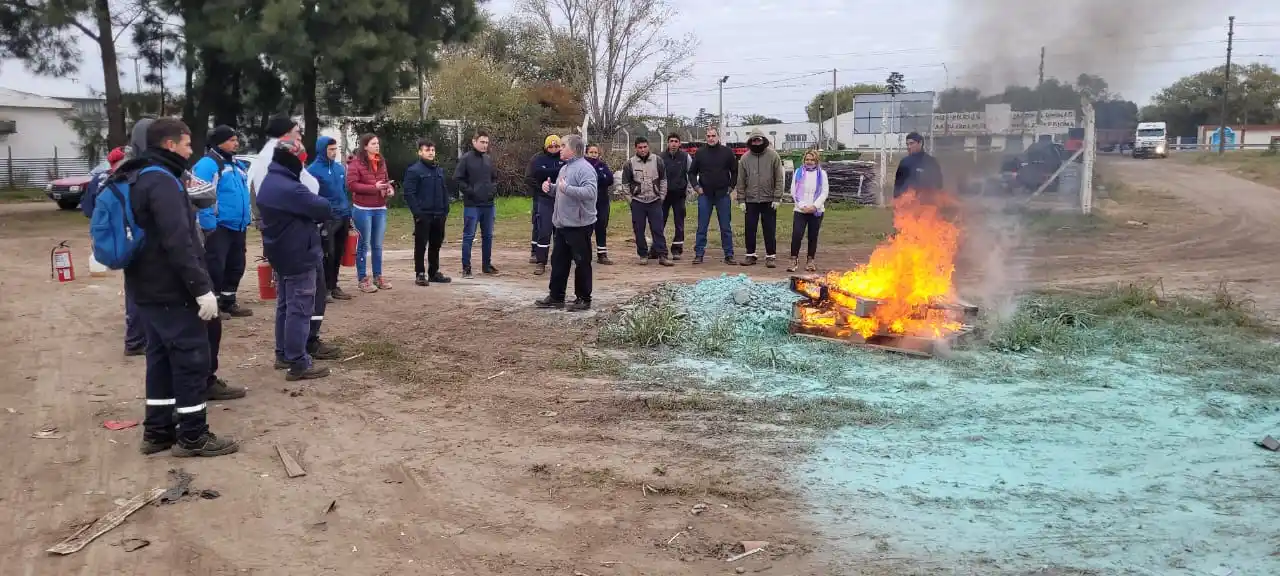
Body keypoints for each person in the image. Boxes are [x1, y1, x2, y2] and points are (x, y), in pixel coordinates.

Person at [119, 117, 239, 458]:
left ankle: (157, 431)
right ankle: (193, 435)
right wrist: (202, 289)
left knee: (159, 358)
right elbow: (179, 242)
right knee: (191, 359)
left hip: (147, 287)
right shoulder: (163, 182)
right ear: (170, 145)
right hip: (172, 289)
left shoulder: (140, 176)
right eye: (187, 144)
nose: (190, 151)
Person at [258, 138, 334, 382]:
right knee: (300, 307)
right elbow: (322, 207)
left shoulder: (271, 181)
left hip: (281, 252)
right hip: (298, 252)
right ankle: (298, 361)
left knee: (285, 304)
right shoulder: (290, 187)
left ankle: (283, 353)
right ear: (294, 161)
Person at [83, 147, 144, 355]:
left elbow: (88, 208)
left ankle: (135, 338)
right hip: (135, 241)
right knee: (140, 292)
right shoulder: (130, 182)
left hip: (122, 243)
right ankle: (136, 340)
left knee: (133, 290)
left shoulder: (103, 180)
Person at [193, 125, 253, 318]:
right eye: (232, 140)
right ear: (219, 142)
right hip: (218, 226)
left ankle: (229, 301)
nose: (236, 143)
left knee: (236, 264)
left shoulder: (236, 164)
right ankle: (214, 304)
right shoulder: (207, 164)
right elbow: (201, 196)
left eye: (236, 140)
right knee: (215, 266)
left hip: (238, 225)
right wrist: (208, 223)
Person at [535, 134, 597, 312]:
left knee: (581, 261)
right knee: (558, 261)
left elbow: (590, 192)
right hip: (562, 224)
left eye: (563, 145)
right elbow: (561, 190)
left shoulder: (585, 169)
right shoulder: (565, 168)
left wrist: (566, 189)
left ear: (573, 149)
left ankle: (583, 298)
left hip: (579, 225)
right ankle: (556, 296)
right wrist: (551, 188)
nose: (559, 148)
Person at [307, 136, 353, 301]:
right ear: (322, 150)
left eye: (335, 149)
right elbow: (312, 196)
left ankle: (333, 285)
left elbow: (343, 192)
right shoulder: (312, 171)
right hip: (327, 218)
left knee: (339, 253)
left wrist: (348, 212)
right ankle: (323, 288)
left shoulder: (340, 169)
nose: (334, 153)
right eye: (330, 149)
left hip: (343, 216)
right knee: (328, 253)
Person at [347, 133, 393, 293]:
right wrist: (374, 188)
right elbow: (352, 185)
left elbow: (385, 180)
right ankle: (362, 278)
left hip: (380, 207)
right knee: (363, 244)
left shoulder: (381, 161)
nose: (377, 146)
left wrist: (389, 189)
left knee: (377, 245)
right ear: (365, 146)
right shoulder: (356, 163)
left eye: (377, 143)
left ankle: (378, 276)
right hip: (362, 209)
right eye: (373, 143)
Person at [404, 139, 452, 286]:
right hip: (423, 215)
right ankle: (420, 273)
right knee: (421, 245)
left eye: (432, 150)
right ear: (420, 152)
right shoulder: (414, 171)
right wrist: (417, 213)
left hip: (439, 214)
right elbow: (409, 194)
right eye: (427, 150)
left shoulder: (438, 170)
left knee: (435, 244)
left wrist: (445, 209)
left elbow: (444, 190)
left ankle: (433, 272)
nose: (430, 152)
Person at [688, 126, 738, 265]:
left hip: (723, 194)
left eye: (713, 136)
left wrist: (731, 187)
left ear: (718, 137)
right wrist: (697, 187)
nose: (711, 138)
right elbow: (691, 172)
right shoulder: (700, 153)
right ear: (706, 137)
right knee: (702, 226)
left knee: (725, 226)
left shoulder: (727, 152)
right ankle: (699, 254)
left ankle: (729, 254)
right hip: (705, 195)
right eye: (708, 136)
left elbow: (735, 171)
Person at [735, 129, 785, 268]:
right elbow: (741, 180)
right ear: (750, 142)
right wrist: (741, 200)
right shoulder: (745, 158)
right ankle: (750, 255)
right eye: (754, 140)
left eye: (759, 139)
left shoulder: (773, 156)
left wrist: (777, 197)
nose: (757, 142)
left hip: (769, 199)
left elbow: (779, 178)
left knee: (769, 228)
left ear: (763, 140)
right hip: (750, 200)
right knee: (750, 228)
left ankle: (770, 256)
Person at [621, 136, 673, 267]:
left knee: (658, 229)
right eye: (640, 147)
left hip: (655, 200)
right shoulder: (629, 164)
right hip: (638, 201)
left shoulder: (658, 160)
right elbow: (625, 184)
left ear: (648, 146)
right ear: (635, 148)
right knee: (639, 230)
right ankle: (643, 255)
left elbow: (663, 180)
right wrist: (631, 201)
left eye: (645, 147)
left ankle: (663, 255)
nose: (643, 150)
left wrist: (661, 196)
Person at [455, 129, 498, 279]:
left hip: (488, 205)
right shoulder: (466, 159)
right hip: (472, 205)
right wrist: (471, 191)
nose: (484, 145)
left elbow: (494, 178)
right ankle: (466, 268)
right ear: (474, 142)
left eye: (486, 142)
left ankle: (486, 265)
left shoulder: (488, 159)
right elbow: (458, 179)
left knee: (488, 236)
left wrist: (492, 190)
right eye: (482, 142)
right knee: (468, 236)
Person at [526, 135, 564, 275]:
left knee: (560, 232)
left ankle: (559, 261)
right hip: (544, 199)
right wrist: (541, 185)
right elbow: (533, 175)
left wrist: (547, 173)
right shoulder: (538, 159)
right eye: (551, 146)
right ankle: (541, 261)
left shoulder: (564, 159)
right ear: (546, 147)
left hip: (561, 200)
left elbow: (566, 172)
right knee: (544, 230)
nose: (554, 149)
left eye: (556, 146)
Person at [787, 149, 830, 273]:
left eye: (812, 160)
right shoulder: (798, 172)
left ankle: (810, 260)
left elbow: (824, 192)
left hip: (816, 211)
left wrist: (815, 206)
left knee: (813, 236)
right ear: (804, 160)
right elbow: (794, 191)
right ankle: (793, 259)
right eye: (807, 159)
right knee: (797, 234)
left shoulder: (822, 174)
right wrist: (802, 206)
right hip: (800, 210)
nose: (809, 162)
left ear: (816, 161)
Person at [660, 133, 692, 260]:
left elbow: (691, 173)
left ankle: (677, 249)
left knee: (679, 223)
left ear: (679, 143)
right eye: (671, 141)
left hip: (679, 195)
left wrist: (689, 190)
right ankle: (658, 248)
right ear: (667, 143)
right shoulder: (660, 157)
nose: (673, 144)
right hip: (664, 196)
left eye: (676, 141)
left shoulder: (685, 157)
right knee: (659, 222)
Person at [584, 144, 615, 264]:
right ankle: (584, 254)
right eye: (591, 152)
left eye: (595, 152)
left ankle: (602, 255)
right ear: (586, 153)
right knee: (587, 229)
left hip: (602, 201)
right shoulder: (584, 166)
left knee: (601, 226)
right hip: (587, 202)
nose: (593, 154)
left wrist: (599, 178)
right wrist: (600, 178)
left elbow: (610, 179)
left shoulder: (602, 165)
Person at [893, 132, 944, 199]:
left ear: (920, 143)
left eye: (911, 143)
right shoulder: (904, 162)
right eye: (907, 144)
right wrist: (897, 199)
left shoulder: (931, 162)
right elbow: (898, 184)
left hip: (925, 204)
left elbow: (939, 184)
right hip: (906, 204)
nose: (909, 147)